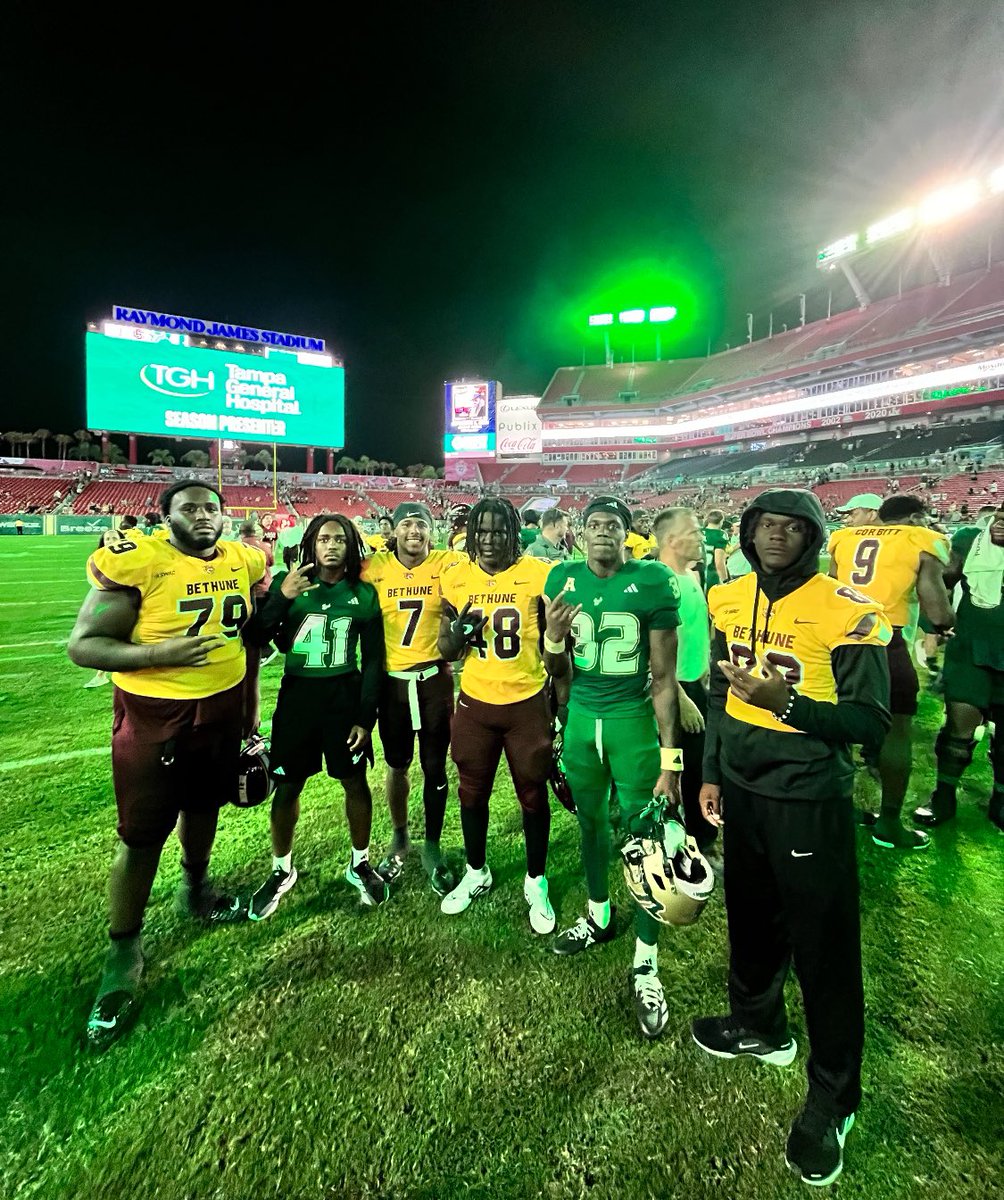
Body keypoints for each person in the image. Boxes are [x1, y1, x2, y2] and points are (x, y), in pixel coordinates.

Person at [694, 488, 892, 1188]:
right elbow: (721, 695)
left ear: (813, 534)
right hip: (742, 790)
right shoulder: (726, 596)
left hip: (808, 796)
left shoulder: (847, 610)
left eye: (789, 527)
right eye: (763, 525)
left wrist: (786, 704)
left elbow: (871, 722)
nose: (775, 536)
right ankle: (760, 1026)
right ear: (746, 533)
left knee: (824, 945)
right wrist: (713, 772)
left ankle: (836, 1097)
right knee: (750, 918)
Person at [67, 481, 266, 1050]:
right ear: (166, 517)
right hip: (154, 714)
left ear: (225, 515)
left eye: (211, 507)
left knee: (206, 805)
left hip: (223, 708)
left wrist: (249, 706)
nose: (203, 516)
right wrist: (158, 654)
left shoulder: (243, 556)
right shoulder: (142, 561)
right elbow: (84, 645)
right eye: (189, 508)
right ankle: (123, 948)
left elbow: (249, 634)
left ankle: (196, 889)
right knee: (142, 832)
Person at [543, 496, 683, 1040]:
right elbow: (554, 668)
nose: (603, 533)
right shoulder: (561, 576)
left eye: (613, 526)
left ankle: (646, 959)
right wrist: (553, 636)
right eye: (594, 525)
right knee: (590, 824)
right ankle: (599, 914)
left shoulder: (651, 580)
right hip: (581, 718)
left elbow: (666, 679)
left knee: (644, 833)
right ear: (580, 533)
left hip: (630, 720)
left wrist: (670, 759)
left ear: (628, 534)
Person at [239, 514, 387, 919]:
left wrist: (364, 717)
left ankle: (359, 863)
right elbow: (253, 639)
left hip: (344, 696)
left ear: (351, 545)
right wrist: (281, 597)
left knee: (354, 781)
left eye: (340, 539)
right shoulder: (293, 585)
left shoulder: (364, 593)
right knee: (287, 786)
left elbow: (374, 661)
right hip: (298, 698)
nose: (332, 545)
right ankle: (282, 869)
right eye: (324, 539)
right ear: (312, 544)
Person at [437, 497, 556, 933]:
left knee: (532, 792)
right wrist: (456, 634)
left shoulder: (538, 574)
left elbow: (556, 637)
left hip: (526, 700)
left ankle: (536, 878)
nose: (489, 540)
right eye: (481, 531)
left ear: (513, 534)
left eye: (498, 531)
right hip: (475, 702)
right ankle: (476, 870)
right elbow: (446, 650)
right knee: (471, 791)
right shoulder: (455, 578)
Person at [828, 494, 953, 849]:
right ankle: (889, 822)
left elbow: (829, 586)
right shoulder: (919, 538)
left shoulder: (843, 538)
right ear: (915, 517)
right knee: (897, 730)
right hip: (886, 637)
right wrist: (947, 622)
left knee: (834, 722)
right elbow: (939, 613)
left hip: (839, 637)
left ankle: (837, 805)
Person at [362, 502, 463, 894]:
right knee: (396, 764)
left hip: (434, 678)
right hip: (393, 682)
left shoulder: (447, 563)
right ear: (395, 530)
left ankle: (433, 845)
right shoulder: (375, 566)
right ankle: (401, 835)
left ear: (431, 531)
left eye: (421, 524)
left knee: (436, 765)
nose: (414, 532)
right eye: (406, 524)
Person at [914, 506, 1004, 831]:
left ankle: (1001, 800)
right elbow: (941, 580)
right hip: (970, 650)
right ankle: (944, 796)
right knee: (958, 729)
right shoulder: (969, 539)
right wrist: (934, 624)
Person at [653, 507, 718, 852]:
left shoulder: (690, 576)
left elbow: (692, 631)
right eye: (694, 532)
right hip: (674, 692)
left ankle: (698, 838)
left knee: (701, 764)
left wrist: (703, 667)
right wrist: (681, 697)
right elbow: (651, 652)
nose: (702, 539)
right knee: (682, 767)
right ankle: (688, 843)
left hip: (694, 683)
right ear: (673, 541)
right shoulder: (660, 583)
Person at [82, 528, 129, 689]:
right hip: (114, 602)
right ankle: (101, 674)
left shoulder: (131, 556)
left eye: (114, 538)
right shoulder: (99, 560)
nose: (110, 541)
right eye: (107, 539)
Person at [701, 510, 728, 589]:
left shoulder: (698, 532)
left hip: (696, 574)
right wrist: (725, 581)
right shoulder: (720, 534)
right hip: (711, 575)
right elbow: (719, 563)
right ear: (721, 521)